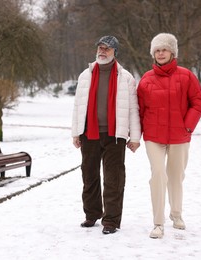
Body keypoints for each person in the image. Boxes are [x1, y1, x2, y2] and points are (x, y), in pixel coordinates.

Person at [137, 33, 201, 239]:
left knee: (176, 177)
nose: (160, 53)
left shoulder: (186, 76)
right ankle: (158, 223)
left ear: (172, 52)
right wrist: (134, 136)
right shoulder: (146, 79)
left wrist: (187, 126)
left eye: (164, 49)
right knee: (158, 175)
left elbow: (198, 103)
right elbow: (138, 110)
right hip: (153, 137)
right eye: (157, 50)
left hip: (179, 136)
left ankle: (176, 214)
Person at [71, 35, 141, 235]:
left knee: (114, 179)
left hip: (115, 135)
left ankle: (110, 220)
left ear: (114, 53)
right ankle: (92, 214)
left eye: (107, 49)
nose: (102, 51)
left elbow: (133, 110)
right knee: (89, 175)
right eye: (100, 48)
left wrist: (135, 137)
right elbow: (78, 106)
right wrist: (76, 132)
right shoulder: (85, 75)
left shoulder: (125, 77)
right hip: (89, 133)